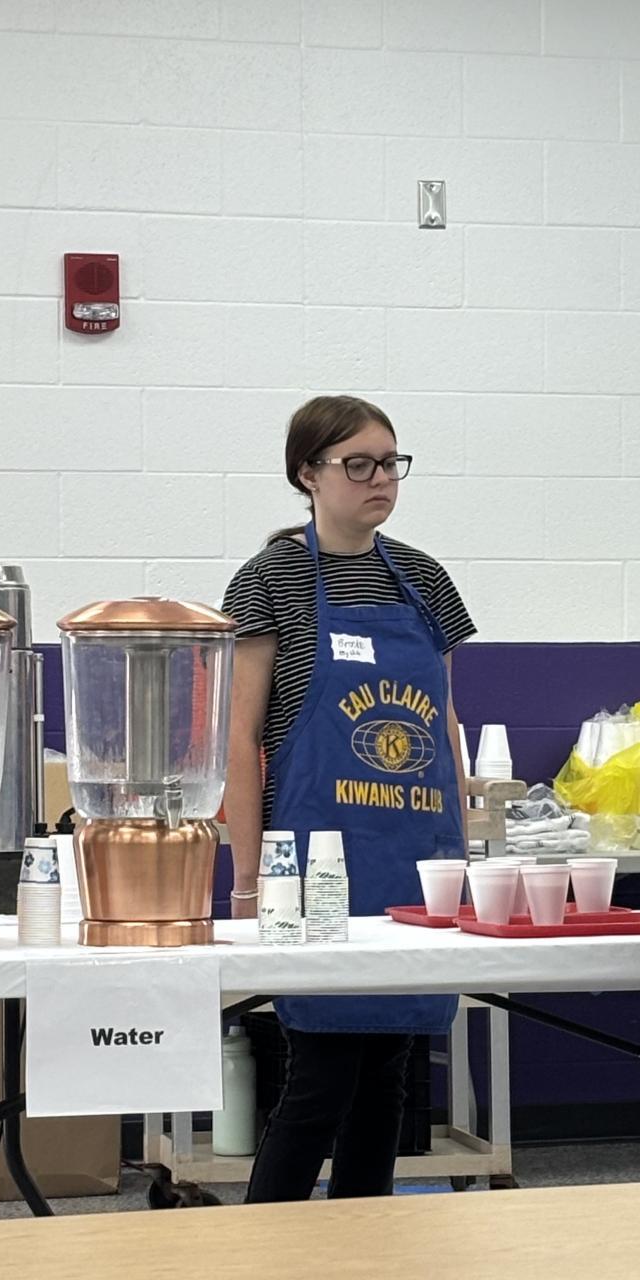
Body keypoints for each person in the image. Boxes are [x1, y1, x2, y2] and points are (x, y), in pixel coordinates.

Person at [221, 395, 475, 1202]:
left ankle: (365, 1243)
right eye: (357, 464)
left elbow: (445, 726)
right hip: (316, 870)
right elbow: (240, 741)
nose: (380, 480)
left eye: (390, 463)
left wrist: (461, 858)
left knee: (389, 1079)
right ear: (308, 473)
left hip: (413, 865)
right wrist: (247, 882)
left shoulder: (425, 580)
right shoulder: (271, 579)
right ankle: (266, 1245)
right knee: (320, 1077)